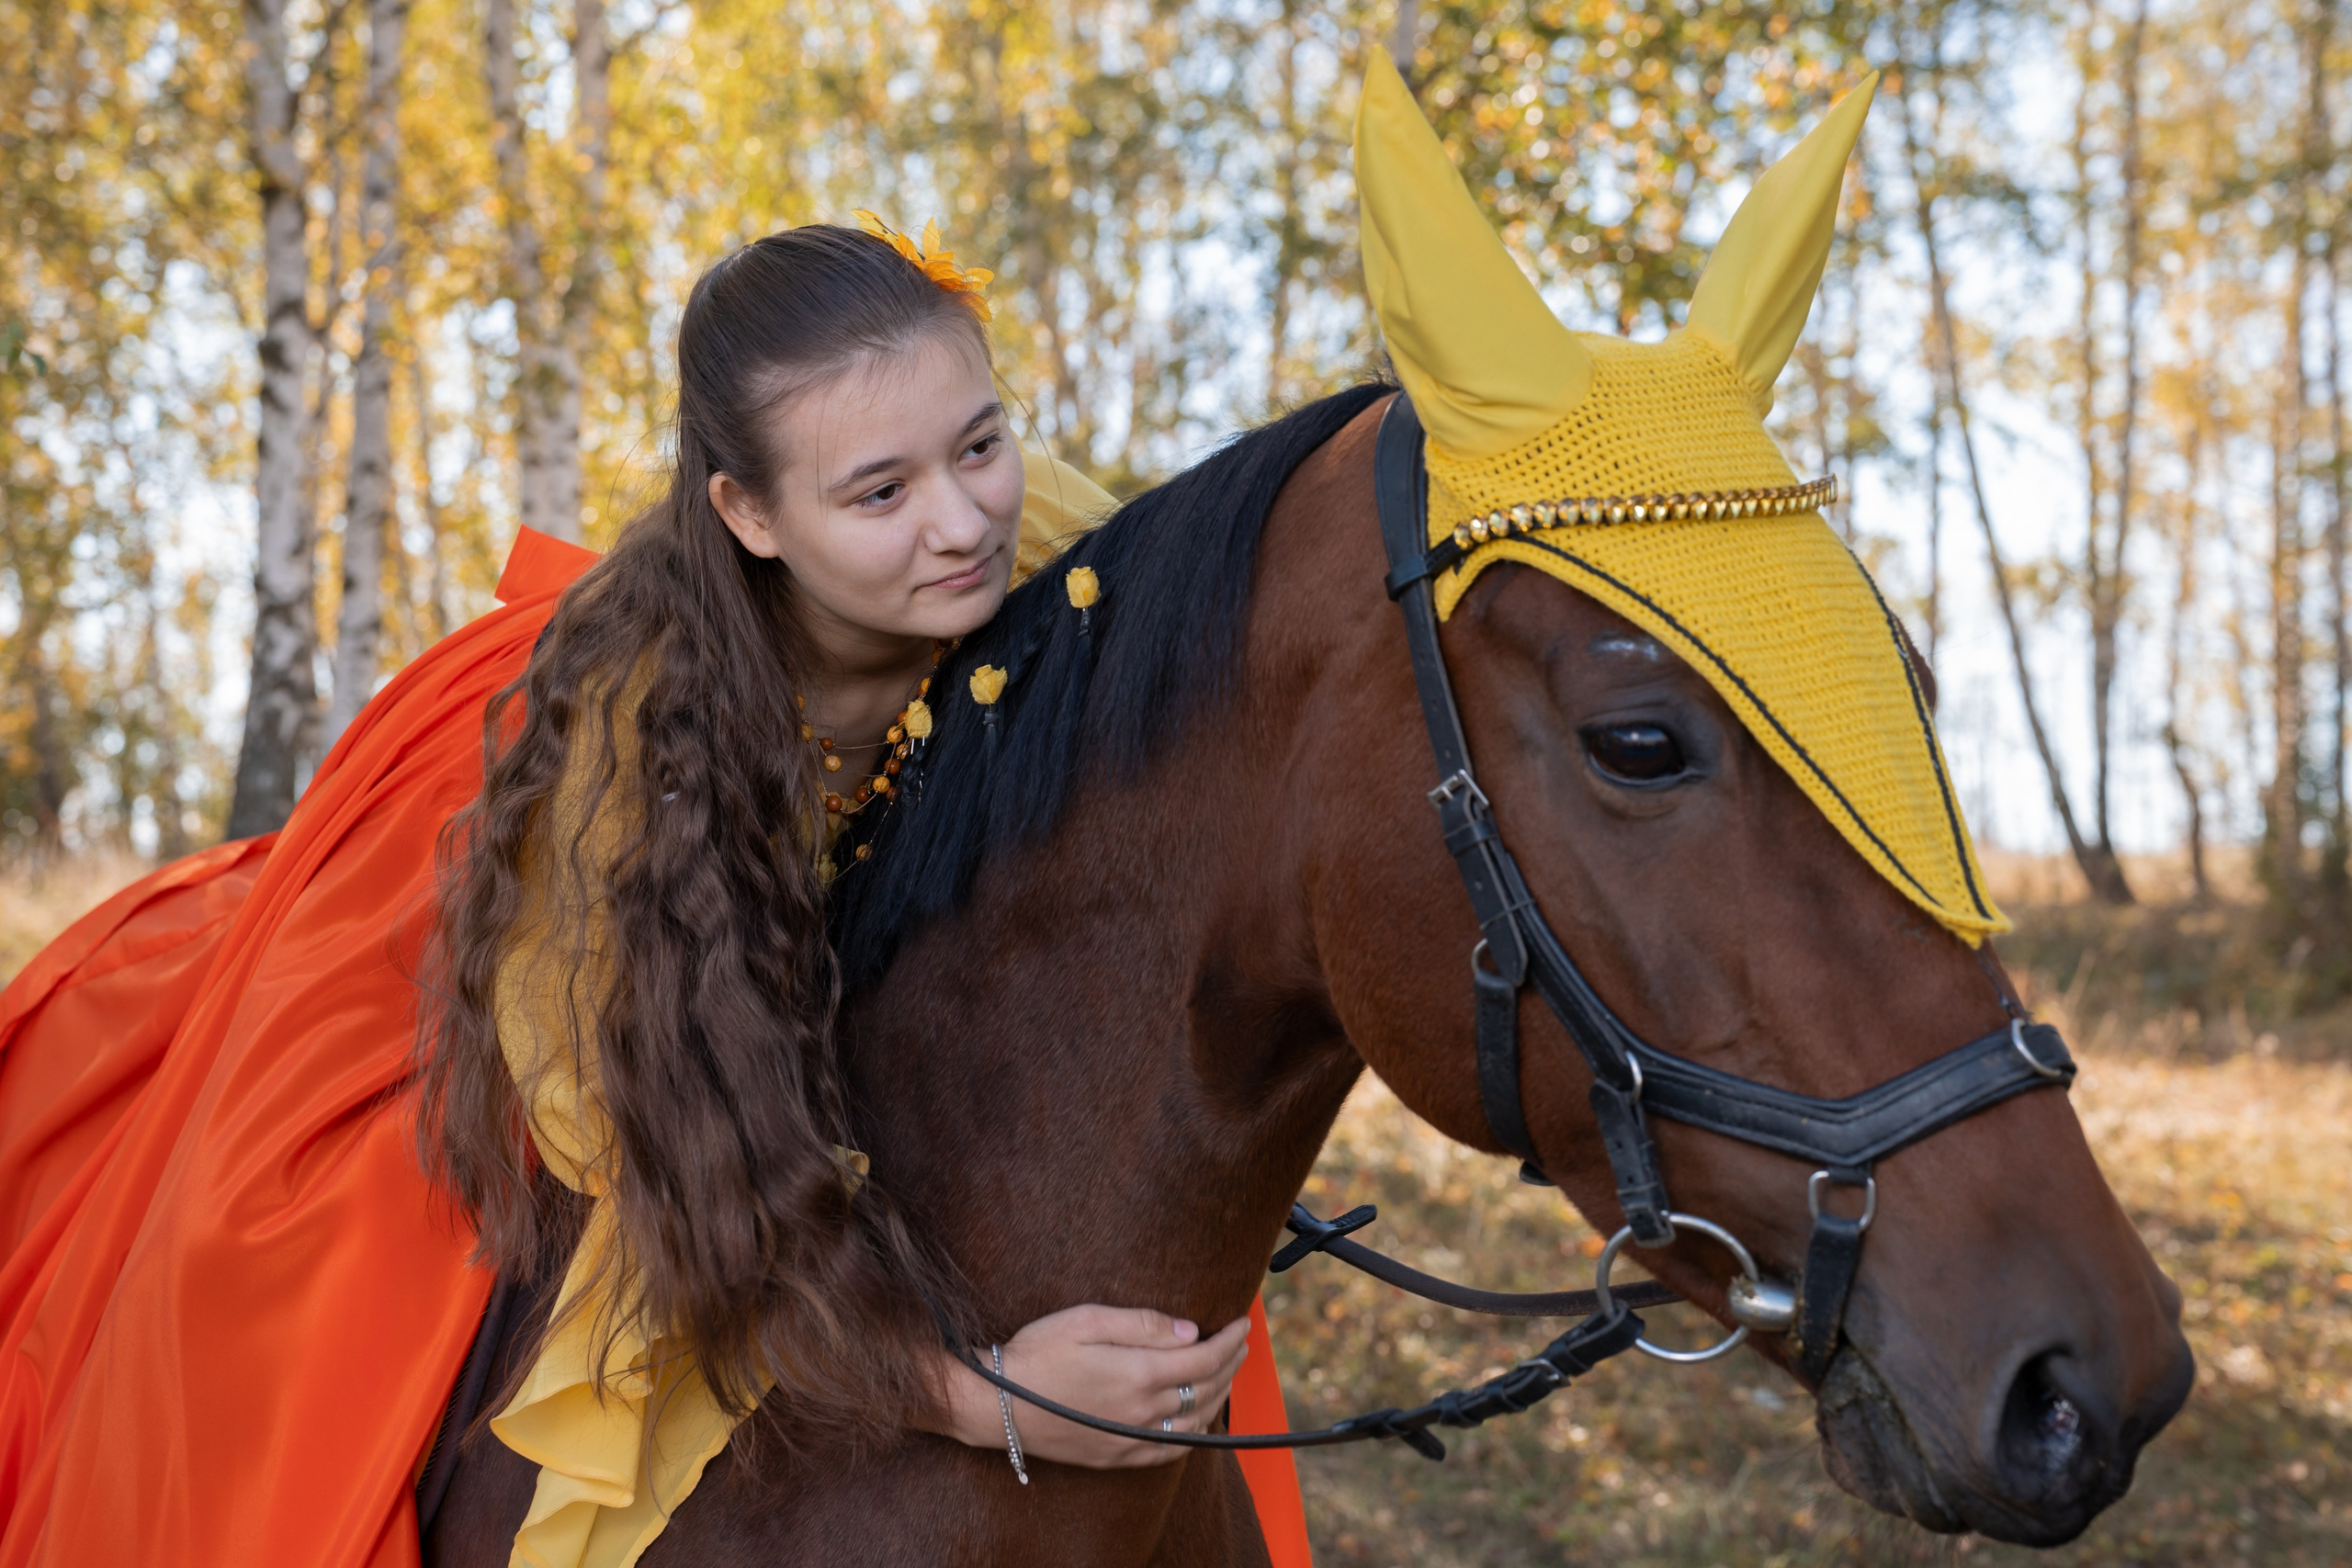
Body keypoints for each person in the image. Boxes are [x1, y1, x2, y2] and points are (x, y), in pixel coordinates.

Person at [0, 219, 1310, 1567]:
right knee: (316, 1305)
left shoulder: (1025, 538)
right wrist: (994, 1405)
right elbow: (691, 1220)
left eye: (978, 443)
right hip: (476, 913)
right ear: (750, 512)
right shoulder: (633, 772)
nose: (964, 521)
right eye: (878, 494)